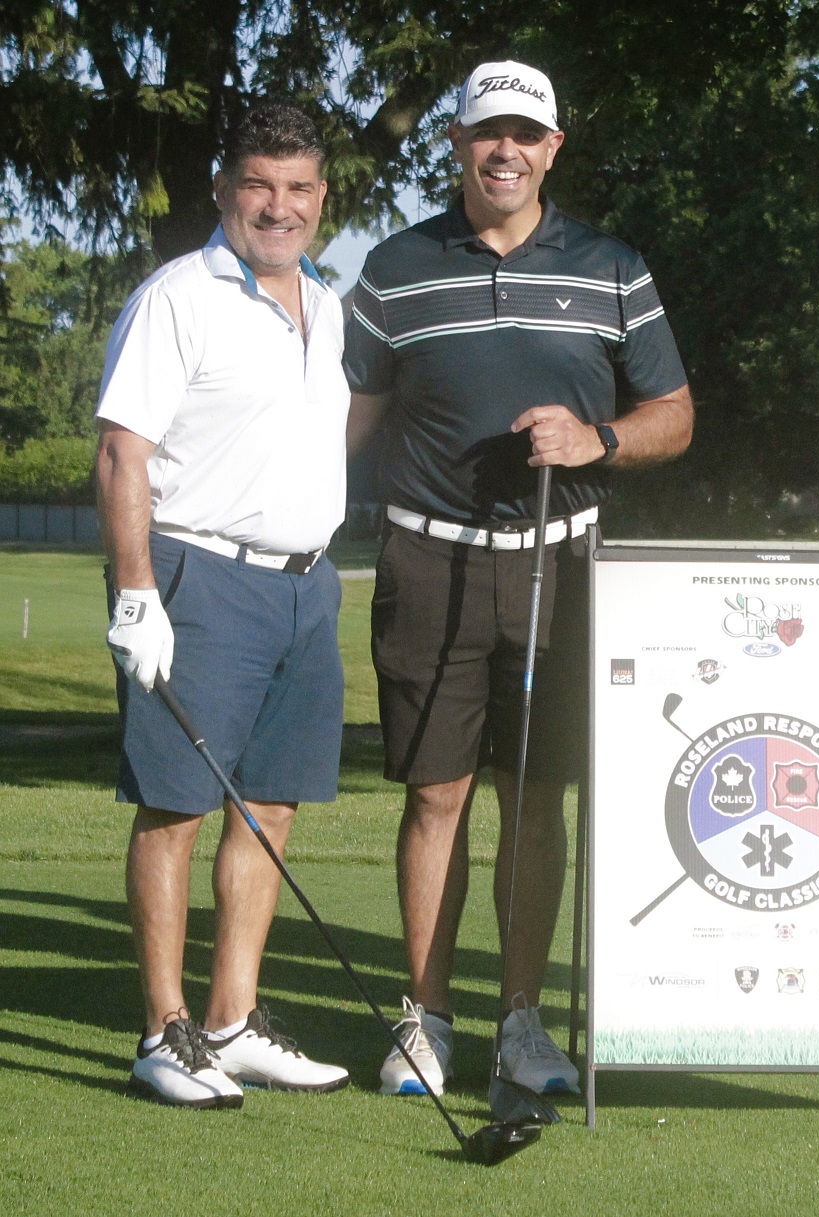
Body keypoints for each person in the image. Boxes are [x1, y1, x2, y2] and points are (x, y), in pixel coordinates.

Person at [345, 60, 692, 1108]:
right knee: (435, 791)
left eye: (523, 135)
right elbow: (348, 420)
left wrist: (597, 438)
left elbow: (674, 412)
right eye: (484, 132)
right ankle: (425, 1014)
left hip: (560, 561)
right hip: (426, 554)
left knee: (536, 794)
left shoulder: (611, 266)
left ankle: (522, 1018)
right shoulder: (394, 268)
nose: (504, 150)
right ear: (455, 145)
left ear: (552, 148)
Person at [95, 100, 352, 1108]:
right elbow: (124, 449)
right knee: (176, 807)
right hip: (198, 577)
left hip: (304, 584)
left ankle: (232, 1020)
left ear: (321, 198)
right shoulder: (179, 296)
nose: (277, 207)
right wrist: (135, 592)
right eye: (258, 185)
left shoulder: (325, 304)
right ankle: (165, 1032)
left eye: (297, 189)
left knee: (271, 802)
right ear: (222, 189)